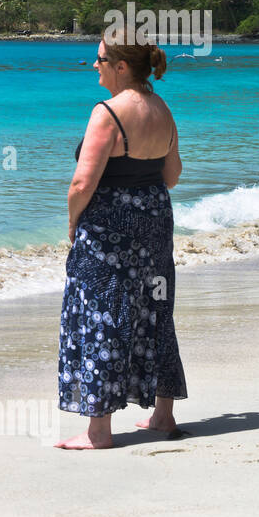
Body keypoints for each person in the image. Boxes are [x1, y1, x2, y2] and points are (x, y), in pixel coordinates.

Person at [55, 33, 187, 450]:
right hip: (155, 220)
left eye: (100, 59)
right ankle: (163, 416)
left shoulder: (107, 113)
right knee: (155, 310)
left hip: (110, 228)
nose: (94, 65)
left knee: (101, 314)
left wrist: (74, 222)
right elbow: (171, 176)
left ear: (121, 66)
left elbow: (82, 183)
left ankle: (98, 433)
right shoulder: (162, 109)